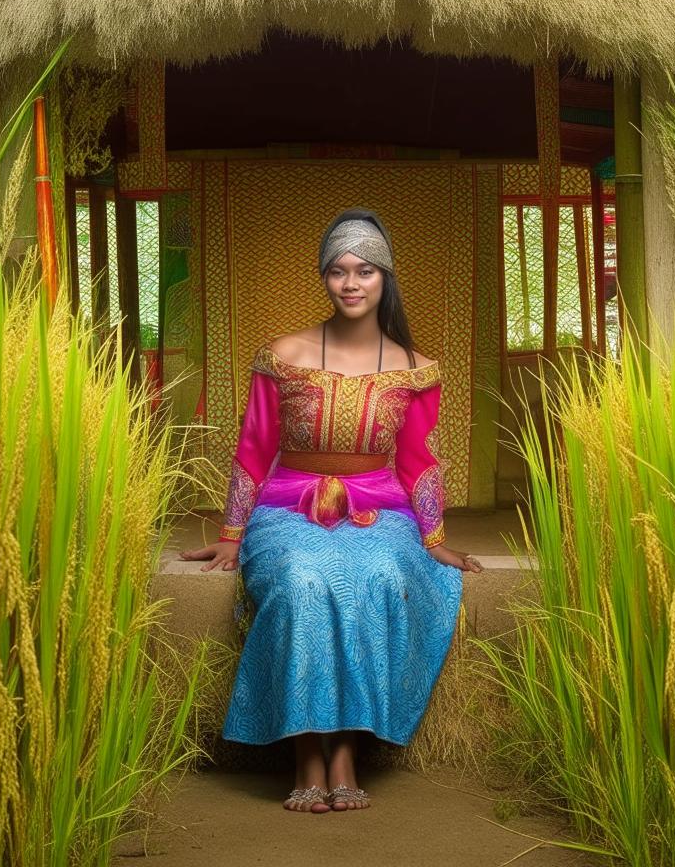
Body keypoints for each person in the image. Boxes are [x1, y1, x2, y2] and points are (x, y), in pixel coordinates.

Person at [180, 207, 483, 814]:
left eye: (365, 271)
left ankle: (344, 752)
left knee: (373, 578)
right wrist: (233, 536)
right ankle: (305, 755)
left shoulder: (416, 368)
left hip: (381, 510)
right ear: (323, 278)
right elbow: (254, 446)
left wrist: (433, 538)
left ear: (384, 279)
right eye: (338, 271)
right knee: (301, 581)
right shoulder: (283, 353)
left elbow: (418, 459)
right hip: (287, 507)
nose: (351, 283)